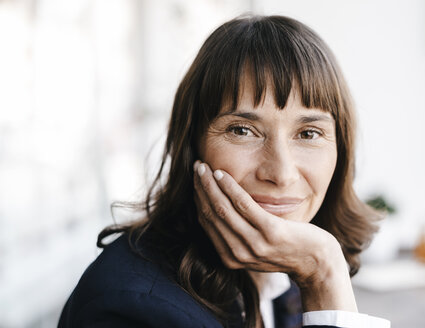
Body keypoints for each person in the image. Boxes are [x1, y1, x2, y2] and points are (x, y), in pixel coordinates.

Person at [58, 15, 390, 328]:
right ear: (193, 146)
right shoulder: (134, 310)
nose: (282, 173)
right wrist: (323, 276)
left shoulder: (283, 274)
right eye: (242, 130)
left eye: (307, 134)